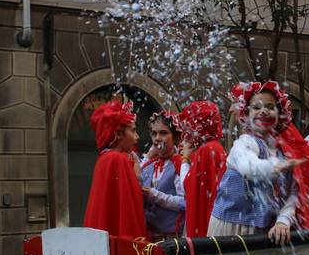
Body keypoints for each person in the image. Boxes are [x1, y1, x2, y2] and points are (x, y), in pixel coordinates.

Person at [209, 81, 309, 244]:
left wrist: (284, 220)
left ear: (279, 114)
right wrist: (276, 166)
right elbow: (249, 168)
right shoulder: (244, 143)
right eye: (256, 107)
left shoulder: (283, 151)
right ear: (246, 113)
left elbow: (293, 192)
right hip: (232, 230)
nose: (264, 111)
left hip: (263, 232)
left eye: (270, 107)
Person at [83, 100, 146, 238]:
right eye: (133, 130)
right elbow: (129, 206)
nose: (137, 136)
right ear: (118, 134)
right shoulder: (119, 159)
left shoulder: (104, 158)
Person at [174, 101, 227, 237]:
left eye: (189, 126)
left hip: (205, 223)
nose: (186, 134)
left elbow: (187, 187)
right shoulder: (215, 147)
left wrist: (185, 158)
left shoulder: (206, 149)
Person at [141, 111, 185, 240]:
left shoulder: (180, 164)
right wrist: (148, 156)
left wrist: (154, 195)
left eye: (163, 133)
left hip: (172, 237)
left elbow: (185, 203)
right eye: (154, 133)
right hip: (149, 236)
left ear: (175, 137)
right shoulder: (149, 163)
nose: (157, 138)